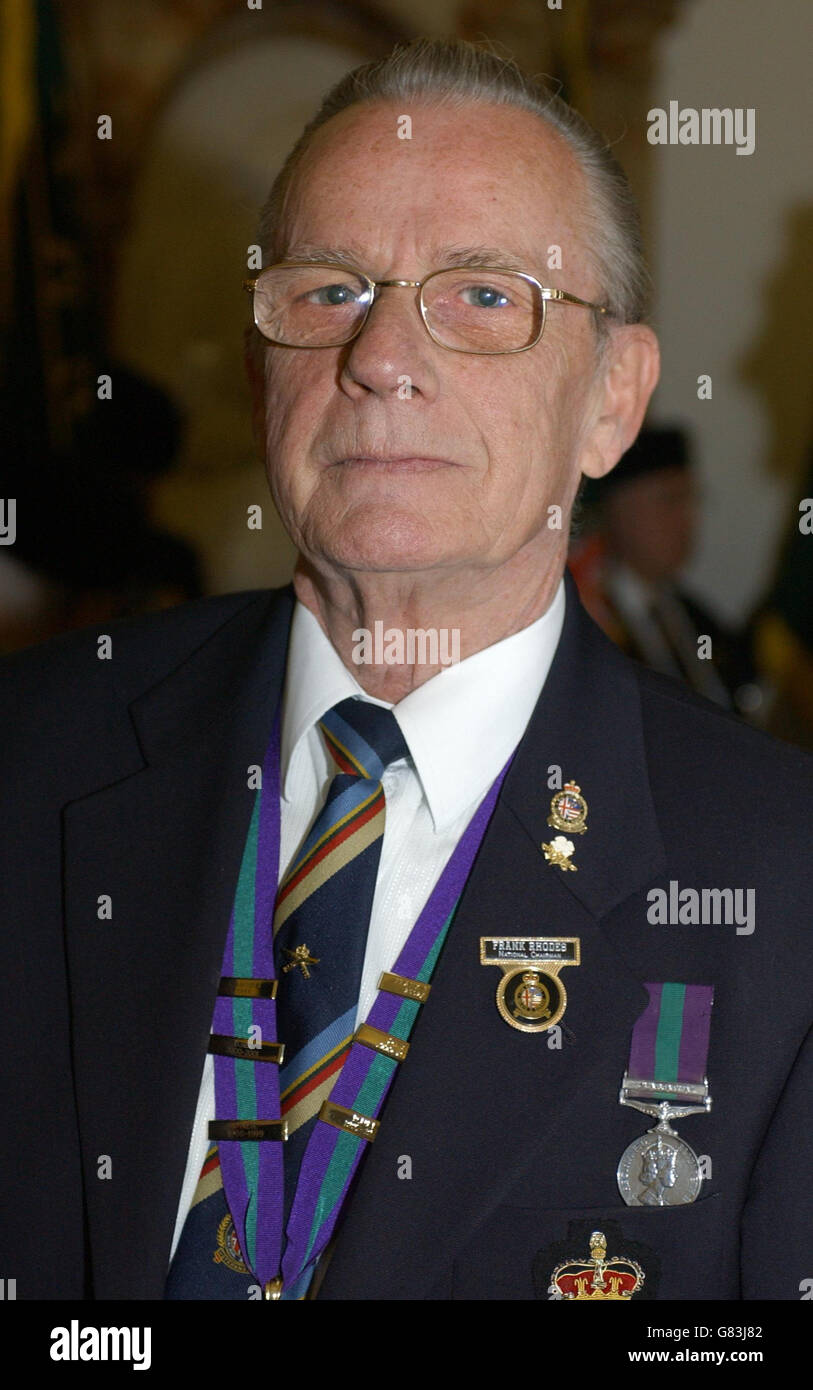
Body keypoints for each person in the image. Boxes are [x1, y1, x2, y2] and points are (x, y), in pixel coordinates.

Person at [2, 37, 811, 1303]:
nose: (381, 355)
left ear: (612, 399)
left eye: (486, 297)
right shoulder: (32, 754)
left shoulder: (781, 885)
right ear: (265, 360)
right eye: (329, 290)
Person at [568, 426, 762, 715]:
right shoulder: (585, 618)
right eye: (669, 500)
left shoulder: (700, 621)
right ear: (617, 509)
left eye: (692, 499)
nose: (688, 519)